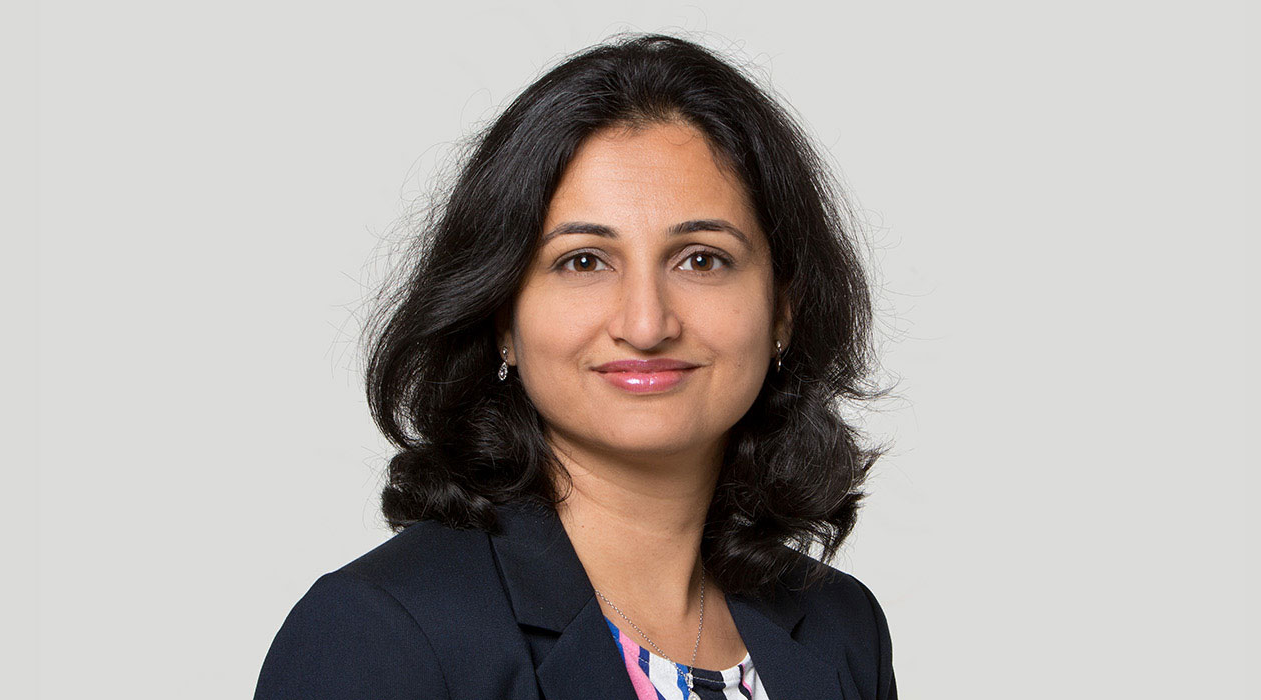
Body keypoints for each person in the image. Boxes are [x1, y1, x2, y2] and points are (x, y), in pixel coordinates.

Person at [253, 34, 897, 700]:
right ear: (502, 317)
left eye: (702, 259)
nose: (646, 324)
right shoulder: (378, 632)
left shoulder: (843, 630)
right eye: (583, 261)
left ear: (783, 311)